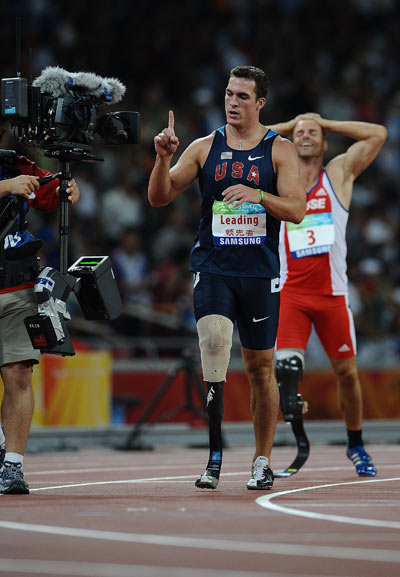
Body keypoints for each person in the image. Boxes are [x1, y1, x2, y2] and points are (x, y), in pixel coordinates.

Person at [148, 66, 306, 490]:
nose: (233, 102)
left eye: (242, 96)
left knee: (260, 368)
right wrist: (162, 159)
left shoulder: (280, 150)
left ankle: (261, 459)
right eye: (229, 94)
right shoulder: (203, 147)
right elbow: (160, 197)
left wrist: (260, 195)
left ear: (260, 103)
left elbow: (297, 210)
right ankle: (215, 456)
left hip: (259, 274)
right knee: (214, 348)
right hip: (213, 268)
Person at [268, 112, 387, 477]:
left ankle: (356, 444)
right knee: (284, 373)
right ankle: (282, 450)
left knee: (348, 374)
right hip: (292, 296)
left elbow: (377, 134)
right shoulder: (279, 177)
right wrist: (289, 127)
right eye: (298, 133)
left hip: (332, 295)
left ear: (323, 143)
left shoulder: (336, 175)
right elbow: (249, 137)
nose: (304, 136)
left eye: (312, 134)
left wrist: (326, 124)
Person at [0, 120, 80, 494]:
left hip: (16, 286)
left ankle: (12, 467)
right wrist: (4, 187)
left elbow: (48, 193)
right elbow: (15, 188)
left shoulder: (15, 162)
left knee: (18, 375)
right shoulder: (10, 175)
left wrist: (65, 187)